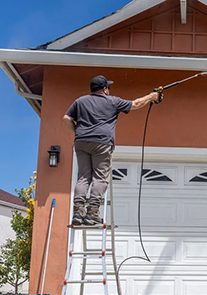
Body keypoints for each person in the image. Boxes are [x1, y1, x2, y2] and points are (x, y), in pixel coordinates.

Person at [63, 75, 159, 225]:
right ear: (105, 89)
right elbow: (135, 104)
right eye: (108, 87)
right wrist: (152, 96)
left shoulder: (80, 101)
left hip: (81, 141)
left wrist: (77, 132)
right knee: (100, 177)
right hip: (102, 143)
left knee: (83, 177)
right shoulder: (112, 101)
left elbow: (66, 118)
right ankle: (92, 213)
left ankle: (78, 211)